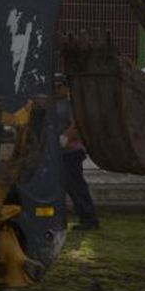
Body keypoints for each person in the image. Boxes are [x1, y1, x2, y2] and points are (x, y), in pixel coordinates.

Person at [56, 74, 100, 231]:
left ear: (66, 88)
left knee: (74, 185)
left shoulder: (70, 105)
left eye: (59, 86)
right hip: (56, 153)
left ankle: (89, 220)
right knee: (59, 186)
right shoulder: (52, 104)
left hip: (71, 151)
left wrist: (65, 137)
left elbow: (77, 124)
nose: (56, 89)